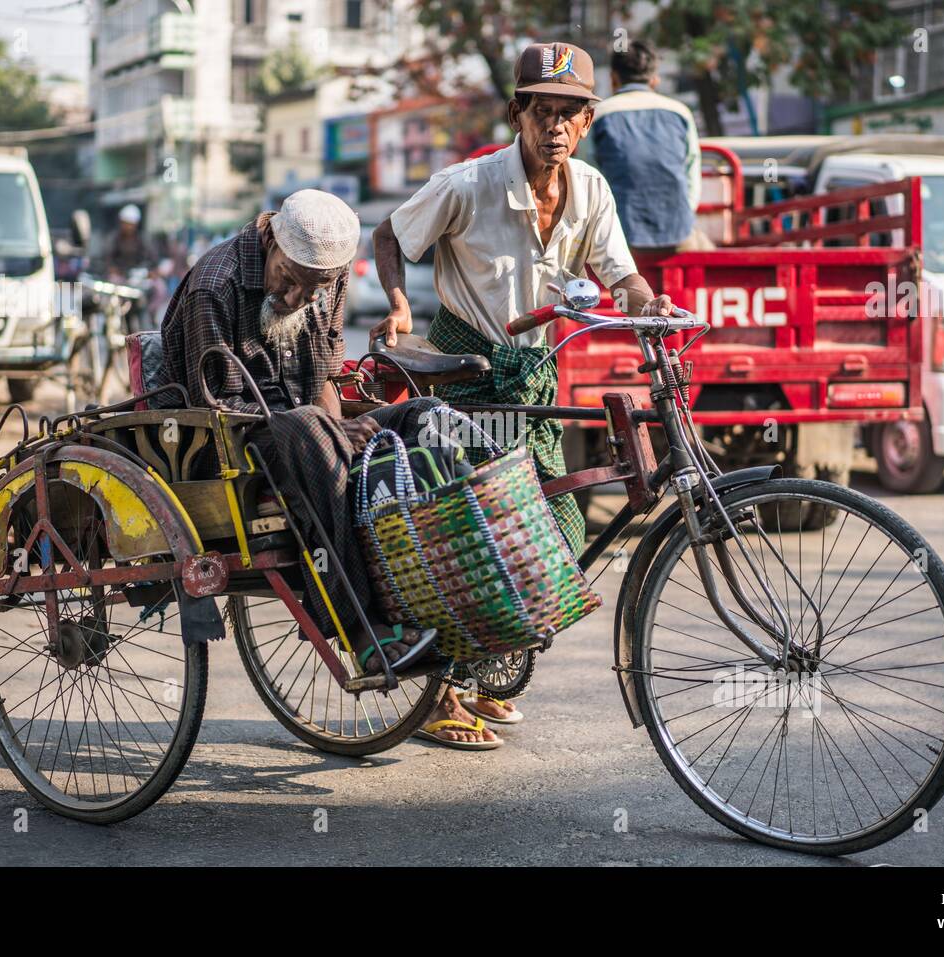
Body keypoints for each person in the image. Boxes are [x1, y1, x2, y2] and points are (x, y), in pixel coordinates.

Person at [369, 41, 677, 747]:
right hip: (464, 375)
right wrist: (397, 304)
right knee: (474, 535)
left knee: (559, 530)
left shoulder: (592, 190)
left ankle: (479, 670)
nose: (556, 127)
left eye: (571, 114)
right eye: (544, 111)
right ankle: (445, 689)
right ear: (518, 113)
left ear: (589, 120)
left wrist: (646, 302)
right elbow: (389, 234)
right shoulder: (470, 184)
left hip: (536, 375)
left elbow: (621, 274)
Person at [158, 189, 451, 691]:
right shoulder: (216, 283)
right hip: (219, 445)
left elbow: (324, 382)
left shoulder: (327, 279)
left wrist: (344, 433)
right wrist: (325, 430)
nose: (298, 298)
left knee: (424, 417)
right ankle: (356, 625)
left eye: (314, 288)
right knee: (310, 428)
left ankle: (441, 596)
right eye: (289, 280)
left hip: (301, 432)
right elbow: (215, 405)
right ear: (270, 239)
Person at [591, 39, 711, 255]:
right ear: (654, 80)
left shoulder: (597, 115)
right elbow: (692, 171)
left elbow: (588, 175)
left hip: (618, 236)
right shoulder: (680, 112)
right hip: (678, 232)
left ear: (613, 78)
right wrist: (684, 213)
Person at [107, 204, 151, 279]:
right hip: (119, 277)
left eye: (130, 224)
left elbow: (149, 258)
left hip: (139, 276)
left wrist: (146, 271)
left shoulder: (142, 239)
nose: (127, 227)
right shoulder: (114, 238)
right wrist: (113, 269)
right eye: (125, 223)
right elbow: (108, 258)